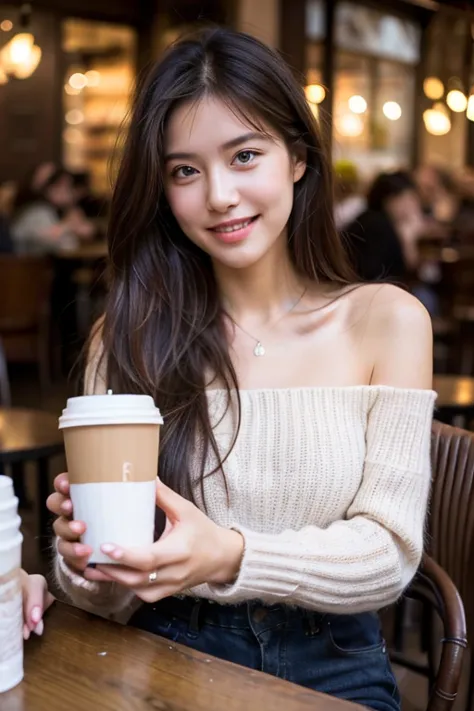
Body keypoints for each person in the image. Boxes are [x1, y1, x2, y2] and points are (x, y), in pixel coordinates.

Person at [21, 28, 435, 710]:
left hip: (329, 663)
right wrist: (83, 559)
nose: (219, 195)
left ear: (297, 157)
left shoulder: (386, 321)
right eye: (185, 170)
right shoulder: (127, 335)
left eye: (245, 155)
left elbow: (389, 553)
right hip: (160, 645)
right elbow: (105, 592)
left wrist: (232, 554)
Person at [344, 171, 426, 284]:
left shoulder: (371, 219)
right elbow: (405, 271)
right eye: (407, 200)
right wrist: (408, 238)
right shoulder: (377, 226)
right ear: (389, 200)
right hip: (370, 291)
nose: (412, 207)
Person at [10, 166, 95, 254]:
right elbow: (61, 244)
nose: (67, 191)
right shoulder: (38, 211)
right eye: (60, 185)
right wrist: (70, 227)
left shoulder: (58, 211)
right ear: (48, 188)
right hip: (27, 265)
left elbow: (87, 232)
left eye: (68, 186)